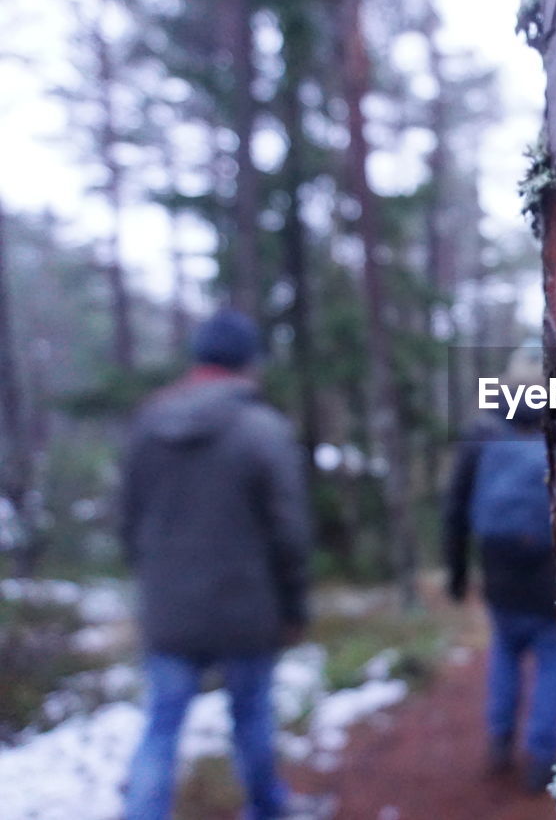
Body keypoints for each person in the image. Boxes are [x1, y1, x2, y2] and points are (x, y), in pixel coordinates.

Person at [118, 308, 312, 820]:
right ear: (250, 363)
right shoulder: (262, 430)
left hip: (169, 609)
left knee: (161, 726)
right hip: (246, 607)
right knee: (250, 718)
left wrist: (152, 581)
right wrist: (294, 606)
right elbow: (288, 532)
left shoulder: (148, 424)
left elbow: (128, 518)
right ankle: (268, 809)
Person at [444, 388, 556, 792]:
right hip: (548, 569)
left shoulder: (483, 442)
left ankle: (499, 740)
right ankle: (542, 757)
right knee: (552, 657)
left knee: (506, 648)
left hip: (498, 568)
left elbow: (456, 510)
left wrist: (458, 575)